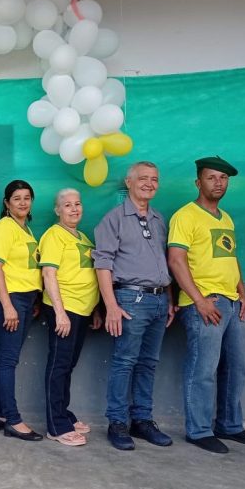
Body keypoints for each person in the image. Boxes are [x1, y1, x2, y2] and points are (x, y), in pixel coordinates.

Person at [168, 156, 245, 453]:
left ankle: (229, 425)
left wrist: (242, 292)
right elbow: (176, 260)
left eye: (223, 178)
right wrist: (199, 300)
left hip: (231, 302)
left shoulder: (226, 218)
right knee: (203, 368)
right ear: (198, 182)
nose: (218, 183)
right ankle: (199, 431)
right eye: (211, 178)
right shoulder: (185, 216)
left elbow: (230, 258)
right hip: (204, 303)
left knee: (236, 368)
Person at [93, 161, 174, 450]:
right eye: (143, 178)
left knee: (148, 363)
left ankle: (142, 420)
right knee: (124, 361)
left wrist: (169, 299)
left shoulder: (159, 219)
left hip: (159, 300)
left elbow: (163, 261)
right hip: (130, 300)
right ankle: (117, 422)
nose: (149, 184)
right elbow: (102, 264)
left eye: (154, 179)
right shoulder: (113, 219)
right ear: (129, 182)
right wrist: (111, 306)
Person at [39, 188, 101, 447]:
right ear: (57, 210)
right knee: (59, 366)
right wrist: (60, 312)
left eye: (77, 204)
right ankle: (56, 426)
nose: (74, 209)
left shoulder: (82, 237)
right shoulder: (54, 235)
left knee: (68, 365)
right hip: (65, 309)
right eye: (67, 205)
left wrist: (94, 309)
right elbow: (48, 274)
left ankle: (63, 413)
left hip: (82, 310)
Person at [0, 180, 43, 441]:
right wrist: (8, 305)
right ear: (6, 203)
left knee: (9, 358)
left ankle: (0, 415)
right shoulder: (4, 228)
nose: (22, 202)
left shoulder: (26, 230)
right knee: (8, 360)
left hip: (25, 299)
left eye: (27, 198)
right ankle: (12, 419)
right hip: (11, 299)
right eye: (17, 198)